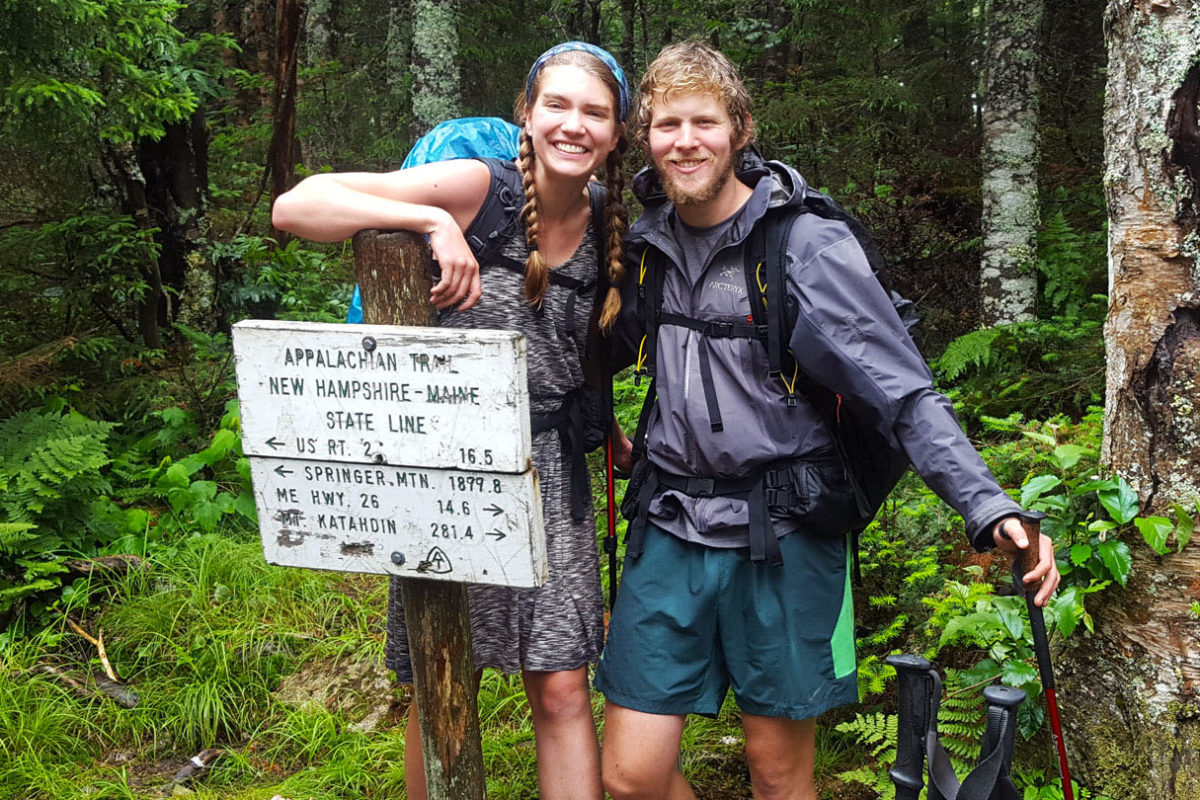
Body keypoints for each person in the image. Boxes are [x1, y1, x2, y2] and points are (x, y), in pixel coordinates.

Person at [594, 41, 1061, 800]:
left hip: (785, 529)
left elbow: (902, 392)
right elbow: (583, 351)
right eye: (667, 124)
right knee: (628, 777)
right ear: (645, 136)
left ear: (740, 129)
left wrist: (988, 505)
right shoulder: (642, 241)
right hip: (670, 522)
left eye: (704, 122)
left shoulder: (804, 246)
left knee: (779, 775)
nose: (685, 141)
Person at [272, 41, 630, 800]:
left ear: (618, 131)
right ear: (525, 115)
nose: (574, 125)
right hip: (450, 470)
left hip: (552, 470)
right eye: (557, 106)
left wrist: (609, 429)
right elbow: (297, 204)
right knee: (446, 674)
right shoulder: (480, 186)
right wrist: (429, 219)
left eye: (595, 112)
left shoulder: (607, 219)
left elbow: (572, 347)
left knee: (562, 686)